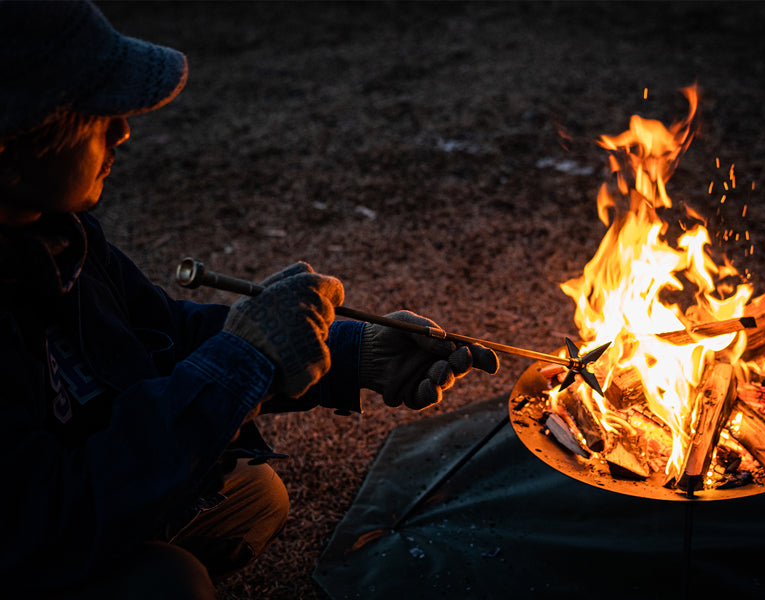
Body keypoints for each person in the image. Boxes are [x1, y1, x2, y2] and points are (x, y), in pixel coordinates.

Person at [0, 1, 499, 598]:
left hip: (73, 487)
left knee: (252, 498)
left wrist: (352, 355)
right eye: (92, 113)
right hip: (29, 536)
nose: (123, 128)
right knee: (169, 582)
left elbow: (160, 337)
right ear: (10, 152)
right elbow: (42, 519)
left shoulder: (57, 235)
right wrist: (244, 359)